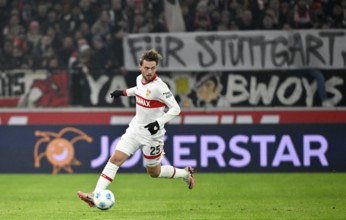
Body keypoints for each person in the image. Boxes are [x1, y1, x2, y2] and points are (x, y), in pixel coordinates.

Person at [77, 49, 195, 208]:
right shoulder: (140, 79)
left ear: (156, 68)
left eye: (153, 68)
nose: (149, 72)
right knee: (115, 159)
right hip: (135, 129)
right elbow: (139, 90)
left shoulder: (160, 87)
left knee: (154, 173)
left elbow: (176, 109)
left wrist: (158, 123)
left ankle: (185, 174)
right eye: (146, 68)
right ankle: (95, 194)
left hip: (153, 136)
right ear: (140, 67)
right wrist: (123, 92)